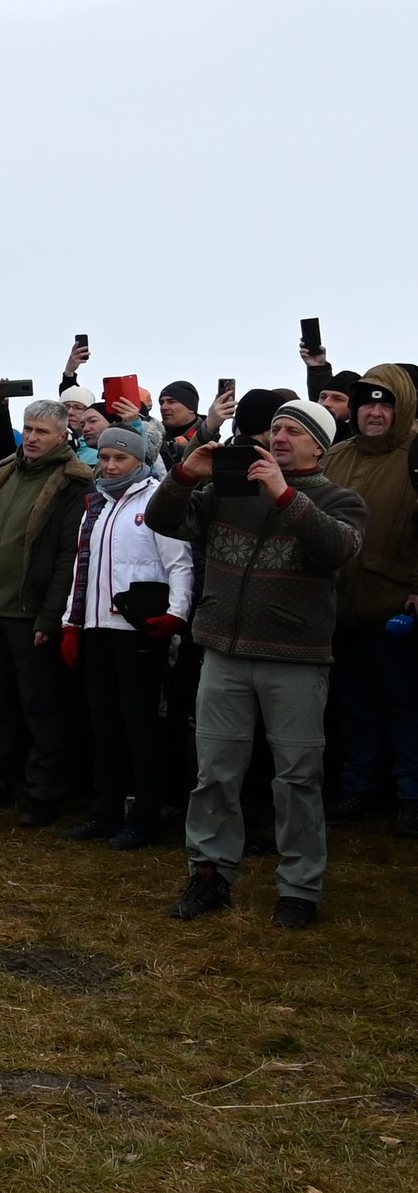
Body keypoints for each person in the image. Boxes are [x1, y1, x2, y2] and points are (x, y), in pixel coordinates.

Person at [149, 402, 366, 928]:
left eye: (295, 430)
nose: (281, 437)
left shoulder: (342, 500)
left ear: (321, 444)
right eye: (276, 429)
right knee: (215, 772)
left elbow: (335, 549)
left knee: (297, 777)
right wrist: (184, 474)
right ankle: (210, 874)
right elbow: (163, 520)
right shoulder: (233, 488)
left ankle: (299, 887)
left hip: (294, 658)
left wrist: (284, 493)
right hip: (223, 649)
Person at [0, 400, 95, 826]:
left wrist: (50, 618)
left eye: (42, 431)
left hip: (30, 615)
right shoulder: (7, 472)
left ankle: (43, 793)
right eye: (28, 429)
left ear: (62, 436)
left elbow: (71, 558)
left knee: (41, 707)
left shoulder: (74, 485)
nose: (31, 437)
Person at [59, 425, 194, 848]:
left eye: (120, 458)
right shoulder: (95, 503)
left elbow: (180, 563)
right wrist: (71, 621)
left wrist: (176, 614)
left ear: (139, 460)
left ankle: (144, 816)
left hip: (138, 628)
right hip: (98, 628)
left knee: (139, 724)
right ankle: (106, 809)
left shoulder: (157, 499)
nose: (111, 465)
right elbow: (82, 569)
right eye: (105, 458)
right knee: (104, 724)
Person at [319, 366, 418, 835]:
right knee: (353, 704)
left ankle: (411, 794)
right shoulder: (336, 456)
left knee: (404, 704)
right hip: (340, 605)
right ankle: (360, 787)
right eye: (366, 404)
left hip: (396, 606)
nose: (375, 413)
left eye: (385, 404)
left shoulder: (416, 454)